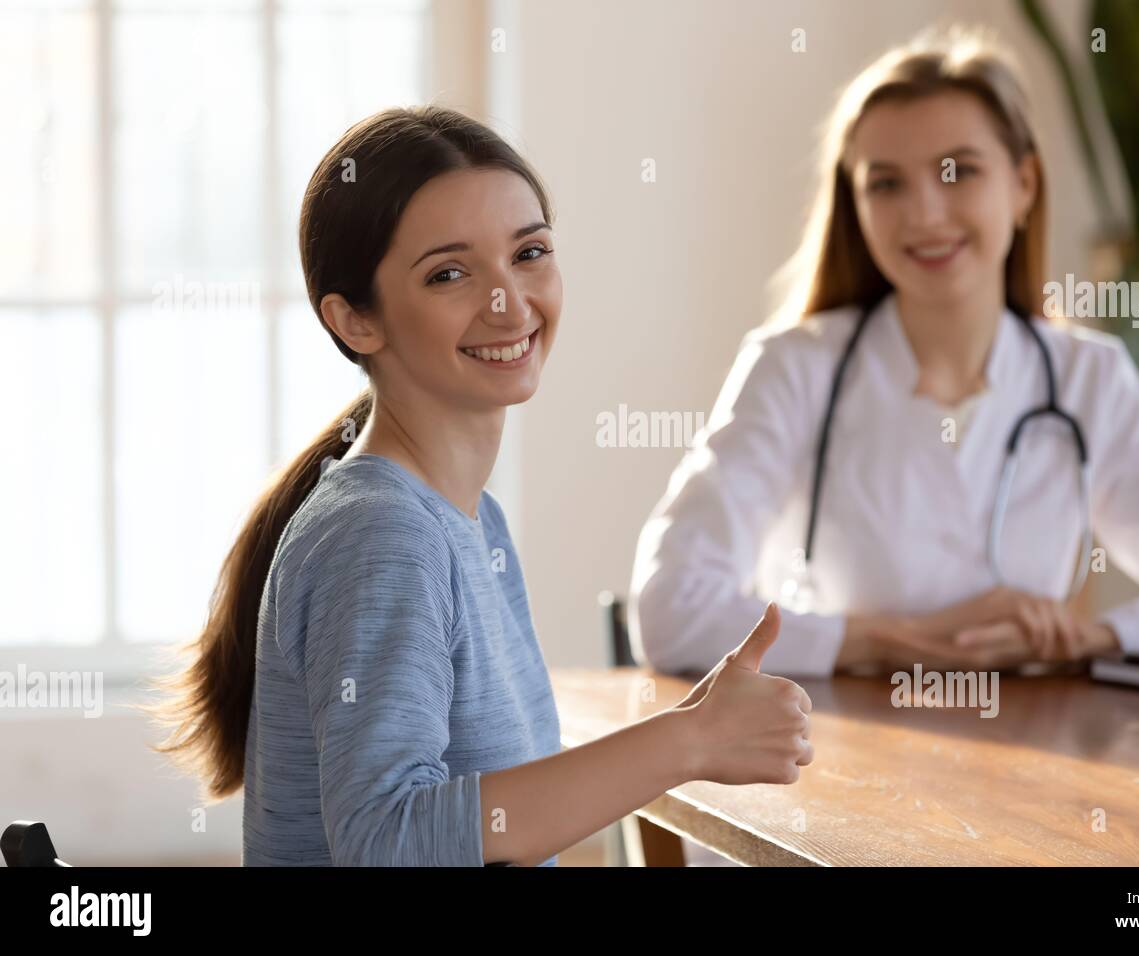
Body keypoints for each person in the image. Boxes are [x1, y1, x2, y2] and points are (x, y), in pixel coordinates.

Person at [150, 106, 813, 866]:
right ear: (355, 320)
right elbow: (387, 840)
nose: (508, 302)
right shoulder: (380, 535)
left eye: (529, 253)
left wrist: (692, 726)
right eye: (450, 273)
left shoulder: (470, 521)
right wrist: (683, 742)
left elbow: (495, 806)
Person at [629, 26, 1139, 680]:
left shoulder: (1086, 378)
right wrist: (896, 642)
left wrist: (1088, 640)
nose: (923, 214)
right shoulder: (792, 368)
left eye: (959, 172)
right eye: (885, 184)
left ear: (1024, 185)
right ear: (854, 204)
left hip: (1031, 764)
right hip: (821, 761)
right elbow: (667, 610)